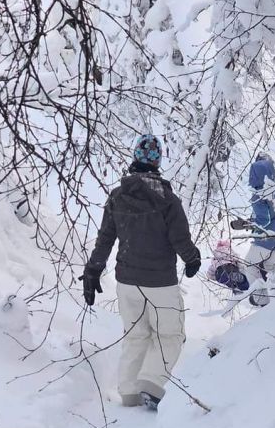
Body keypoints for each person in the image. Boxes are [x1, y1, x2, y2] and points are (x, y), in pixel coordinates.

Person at [80, 134, 201, 411]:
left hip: (127, 281)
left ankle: (130, 393)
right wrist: (192, 258)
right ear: (158, 162)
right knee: (170, 335)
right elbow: (180, 238)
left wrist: (93, 269)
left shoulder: (118, 196)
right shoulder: (167, 200)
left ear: (135, 157)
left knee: (136, 336)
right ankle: (152, 384)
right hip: (160, 282)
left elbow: (105, 238)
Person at [238, 153, 275, 303]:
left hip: (267, 240)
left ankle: (261, 300)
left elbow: (264, 220)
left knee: (250, 265)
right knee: (272, 267)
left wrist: (252, 224)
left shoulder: (259, 193)